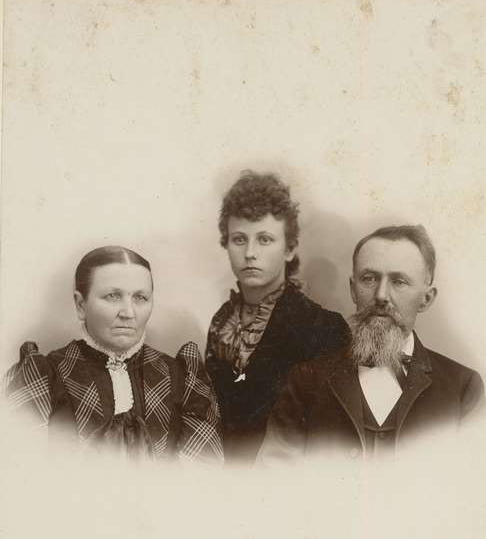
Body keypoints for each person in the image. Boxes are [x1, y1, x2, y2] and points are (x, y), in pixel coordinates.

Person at [258, 224, 484, 463]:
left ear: (426, 299)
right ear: (353, 289)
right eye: (369, 278)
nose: (381, 296)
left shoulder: (463, 389)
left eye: (399, 281)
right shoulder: (305, 381)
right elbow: (274, 486)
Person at [4, 246, 223, 464]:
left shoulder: (183, 379)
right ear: (81, 305)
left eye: (140, 297)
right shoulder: (43, 376)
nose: (128, 313)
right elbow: (22, 477)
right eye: (112, 296)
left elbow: (200, 485)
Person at [205, 170, 350, 463]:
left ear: (290, 249)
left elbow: (327, 436)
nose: (249, 253)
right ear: (226, 245)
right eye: (238, 239)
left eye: (265, 239)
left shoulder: (323, 327)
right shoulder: (221, 322)